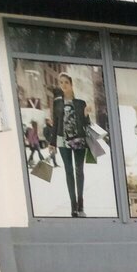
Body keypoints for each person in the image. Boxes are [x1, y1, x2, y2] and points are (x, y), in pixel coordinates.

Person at [52, 72, 90, 217]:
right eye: (61, 83)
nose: (63, 85)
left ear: (71, 84)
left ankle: (81, 206)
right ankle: (73, 207)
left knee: (79, 171)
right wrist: (52, 142)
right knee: (69, 172)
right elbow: (55, 123)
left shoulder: (80, 103)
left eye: (66, 82)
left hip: (78, 139)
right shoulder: (57, 103)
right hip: (62, 140)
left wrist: (86, 114)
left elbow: (86, 124)